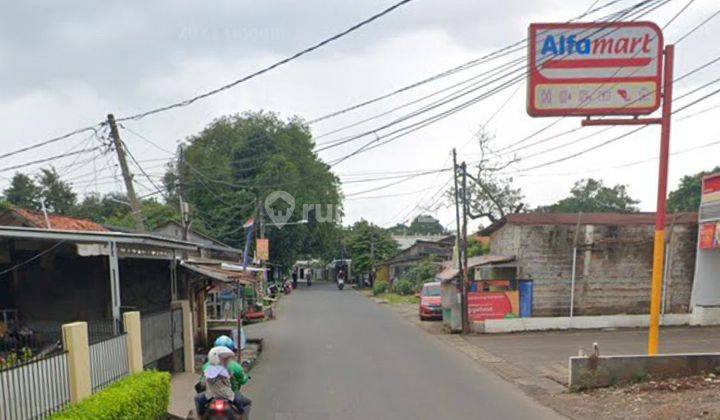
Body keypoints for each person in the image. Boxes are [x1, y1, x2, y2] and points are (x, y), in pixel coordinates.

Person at [195, 338, 251, 418]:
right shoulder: (236, 367)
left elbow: (202, 382)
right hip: (230, 394)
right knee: (247, 403)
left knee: (198, 399)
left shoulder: (207, 366)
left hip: (211, 395)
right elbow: (242, 381)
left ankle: (200, 417)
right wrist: (245, 377)